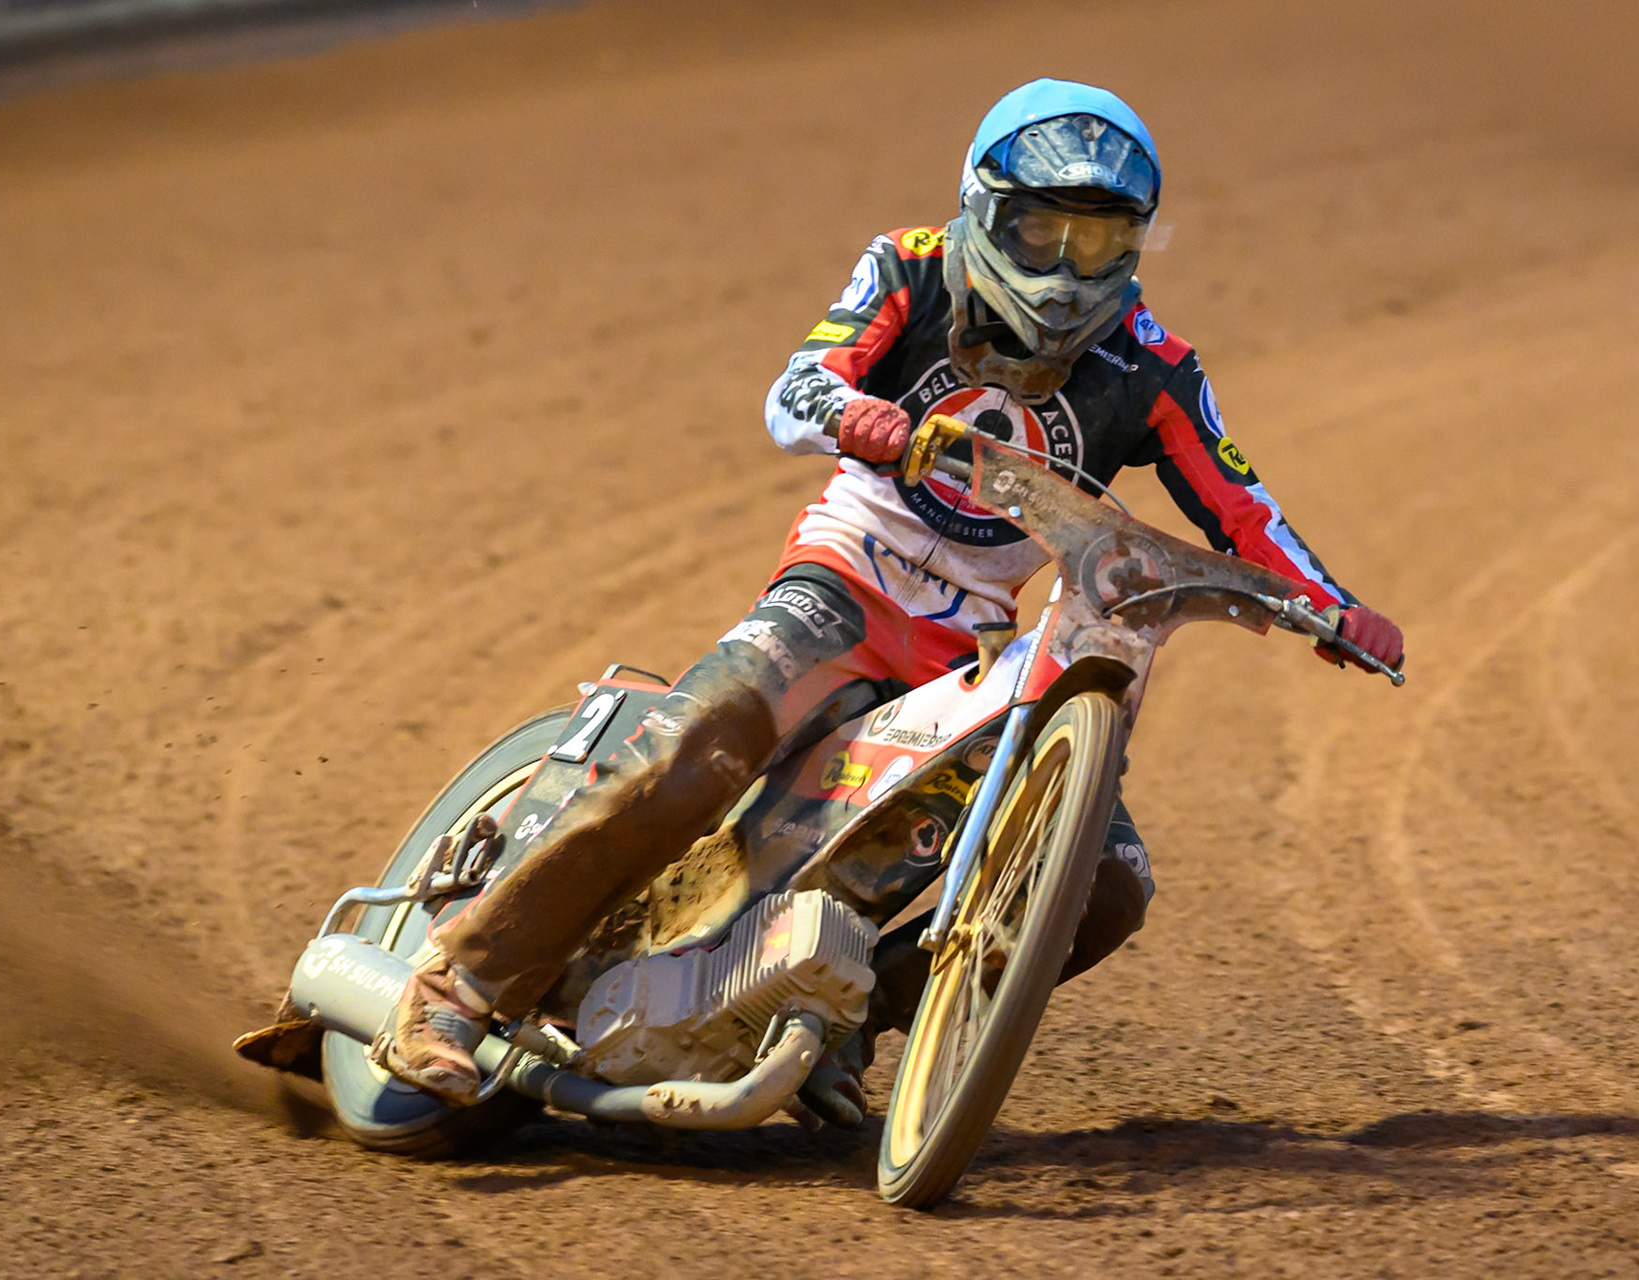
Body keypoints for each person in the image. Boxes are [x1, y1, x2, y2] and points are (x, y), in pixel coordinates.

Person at [379, 79, 1405, 1116]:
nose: (1061, 268)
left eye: (1094, 244)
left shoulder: (1155, 367)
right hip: (846, 579)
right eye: (1037, 228)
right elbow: (799, 385)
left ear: (1136, 245)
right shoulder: (911, 267)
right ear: (982, 205)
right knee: (712, 734)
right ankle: (456, 987)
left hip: (980, 647)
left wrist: (1331, 606)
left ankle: (856, 1021)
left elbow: (1246, 508)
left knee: (1107, 882)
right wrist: (855, 413)